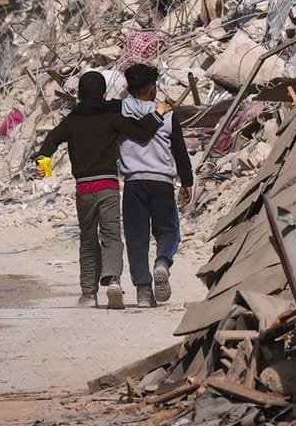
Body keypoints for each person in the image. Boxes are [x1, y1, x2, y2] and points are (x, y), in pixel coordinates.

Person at [31, 71, 162, 309]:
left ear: (79, 95)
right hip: (108, 187)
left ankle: (88, 293)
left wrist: (44, 168)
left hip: (84, 189)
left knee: (88, 240)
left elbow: (49, 142)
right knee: (111, 236)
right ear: (103, 94)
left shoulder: (72, 121)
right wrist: (159, 114)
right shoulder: (111, 118)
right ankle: (113, 279)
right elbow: (142, 132)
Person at [117, 62, 195, 308]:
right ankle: (162, 261)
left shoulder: (120, 111)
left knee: (136, 236)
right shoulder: (168, 113)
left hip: (133, 183)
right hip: (162, 181)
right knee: (168, 230)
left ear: (129, 88)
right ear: (152, 89)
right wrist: (187, 181)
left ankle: (142, 290)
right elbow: (180, 151)